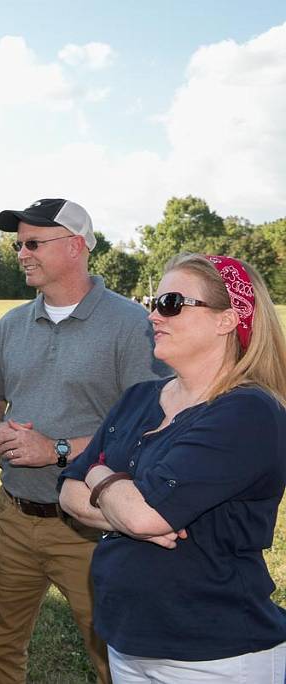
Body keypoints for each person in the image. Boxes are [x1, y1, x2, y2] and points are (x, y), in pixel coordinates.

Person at [59, 254, 286, 681]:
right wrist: (123, 501)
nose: (152, 314)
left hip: (216, 657)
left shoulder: (248, 412)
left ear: (226, 319)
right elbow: (68, 492)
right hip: (128, 643)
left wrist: (101, 474)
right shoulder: (139, 397)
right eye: (153, 301)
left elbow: (147, 516)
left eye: (171, 302)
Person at [0, 198, 167, 684]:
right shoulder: (11, 325)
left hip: (92, 525)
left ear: (76, 246)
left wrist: (56, 449)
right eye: (19, 244)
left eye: (33, 242)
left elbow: (151, 426)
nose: (22, 253)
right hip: (14, 515)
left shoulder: (132, 325)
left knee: (114, 656)